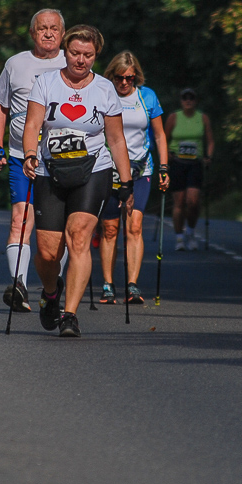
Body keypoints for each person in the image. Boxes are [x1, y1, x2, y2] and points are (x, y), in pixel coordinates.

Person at [21, 25, 132, 338]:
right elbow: (32, 124)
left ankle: (70, 315)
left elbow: (116, 139)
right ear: (65, 52)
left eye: (88, 55)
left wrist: (126, 182)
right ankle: (51, 292)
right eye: (75, 53)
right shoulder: (46, 83)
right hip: (50, 171)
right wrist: (30, 154)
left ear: (96, 55)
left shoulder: (105, 89)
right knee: (47, 253)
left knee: (79, 238)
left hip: (93, 170)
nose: (81, 60)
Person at [0, 9, 66, 312]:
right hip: (22, 156)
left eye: (54, 28)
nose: (48, 33)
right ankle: (18, 285)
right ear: (32, 33)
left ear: (63, 34)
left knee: (59, 229)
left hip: (62, 159)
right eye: (42, 28)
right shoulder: (15, 64)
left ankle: (53, 288)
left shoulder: (71, 63)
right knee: (20, 218)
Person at [97, 52, 169, 304]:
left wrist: (164, 168)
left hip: (140, 169)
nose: (125, 83)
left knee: (134, 226)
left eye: (130, 78)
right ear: (112, 76)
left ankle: (132, 284)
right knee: (109, 229)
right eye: (120, 78)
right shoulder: (104, 93)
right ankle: (108, 284)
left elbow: (159, 135)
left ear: (136, 76)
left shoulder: (147, 96)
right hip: (109, 170)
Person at [164, 87, 214, 250]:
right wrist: (167, 155)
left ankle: (190, 232)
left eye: (191, 98)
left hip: (195, 163)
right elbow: (163, 138)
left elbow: (210, 141)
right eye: (185, 98)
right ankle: (179, 238)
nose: (188, 101)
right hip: (178, 163)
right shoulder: (174, 117)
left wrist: (209, 156)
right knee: (179, 202)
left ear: (196, 101)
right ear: (181, 101)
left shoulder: (202, 118)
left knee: (193, 201)